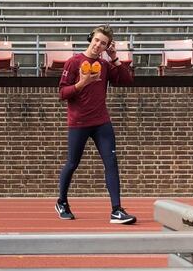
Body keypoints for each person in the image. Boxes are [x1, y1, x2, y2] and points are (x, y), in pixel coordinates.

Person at [55, 25, 137, 225]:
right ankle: (62, 202)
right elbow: (62, 94)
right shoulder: (74, 62)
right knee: (72, 163)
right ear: (90, 39)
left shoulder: (105, 64)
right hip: (79, 123)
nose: (98, 45)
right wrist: (82, 83)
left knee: (111, 163)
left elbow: (127, 80)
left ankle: (116, 210)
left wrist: (115, 57)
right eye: (97, 40)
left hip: (101, 123)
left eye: (104, 44)